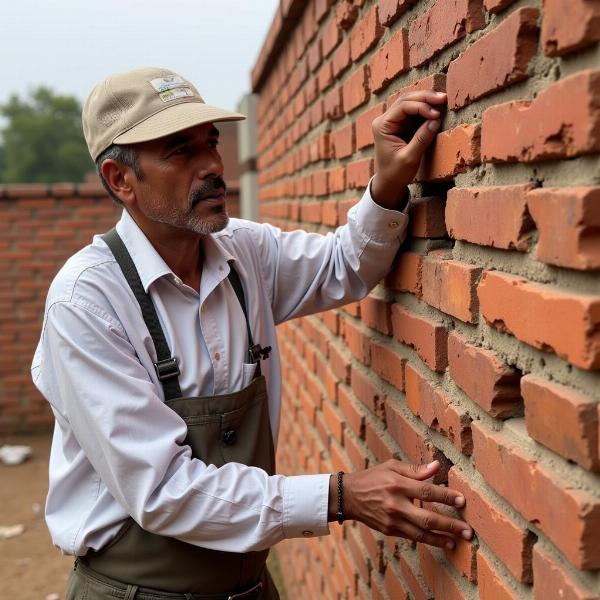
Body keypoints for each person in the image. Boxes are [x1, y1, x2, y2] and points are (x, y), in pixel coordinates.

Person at [32, 67, 472, 600]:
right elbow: (162, 490)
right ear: (120, 179)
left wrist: (388, 181)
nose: (213, 166)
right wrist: (341, 496)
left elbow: (346, 266)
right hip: (134, 592)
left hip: (248, 587)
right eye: (180, 151)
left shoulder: (243, 252)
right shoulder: (86, 302)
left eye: (210, 143)